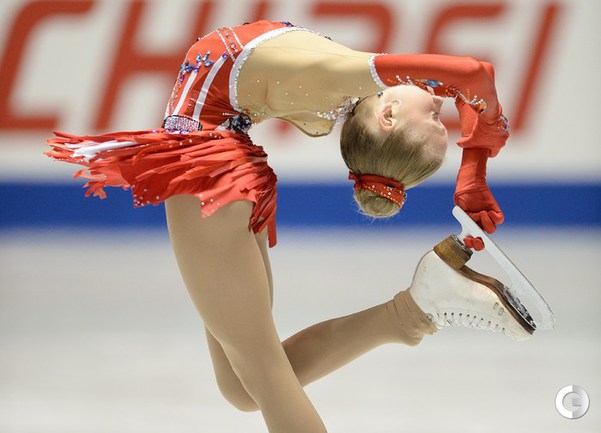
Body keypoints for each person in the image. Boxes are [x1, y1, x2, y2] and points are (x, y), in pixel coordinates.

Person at [46, 20, 526, 433]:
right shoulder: (335, 101)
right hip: (231, 166)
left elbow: (471, 76)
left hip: (207, 171)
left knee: (263, 375)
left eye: (434, 116)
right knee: (243, 388)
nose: (440, 101)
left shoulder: (339, 80)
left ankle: (415, 310)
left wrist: (474, 164)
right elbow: (466, 87)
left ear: (388, 115)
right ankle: (410, 312)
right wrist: (473, 175)